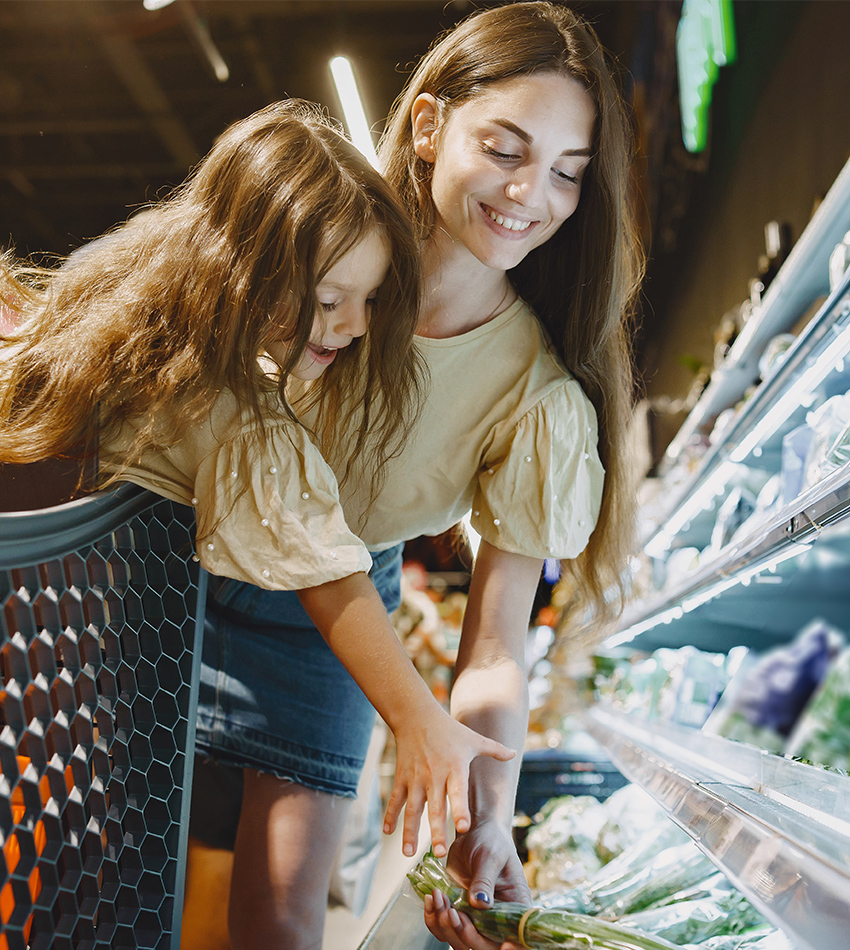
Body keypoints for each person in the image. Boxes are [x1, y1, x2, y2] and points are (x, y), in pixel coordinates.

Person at [0, 97, 517, 944]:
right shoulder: (231, 406)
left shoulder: (128, 289)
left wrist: (418, 716)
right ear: (247, 268)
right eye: (330, 298)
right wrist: (420, 718)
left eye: (368, 298)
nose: (355, 325)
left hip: (59, 632)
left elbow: (327, 566)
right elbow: (329, 571)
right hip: (80, 638)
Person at [185, 3, 644, 948]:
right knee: (125, 883)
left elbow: (496, 650)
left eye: (567, 172)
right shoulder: (326, 244)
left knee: (279, 921)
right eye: (505, 148)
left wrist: (487, 815)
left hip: (337, 631)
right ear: (429, 125)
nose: (530, 193)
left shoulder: (537, 397)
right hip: (173, 566)